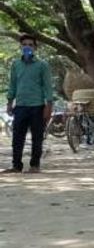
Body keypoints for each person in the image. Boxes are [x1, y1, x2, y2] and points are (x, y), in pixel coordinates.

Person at [3, 33, 53, 174]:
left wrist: (48, 107)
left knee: (37, 137)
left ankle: (34, 165)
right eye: (24, 45)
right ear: (21, 47)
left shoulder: (42, 65)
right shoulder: (16, 65)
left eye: (30, 45)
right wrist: (9, 102)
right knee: (17, 137)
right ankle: (16, 165)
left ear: (35, 48)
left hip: (37, 107)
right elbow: (13, 84)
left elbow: (48, 87)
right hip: (20, 106)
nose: (27, 47)